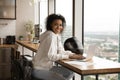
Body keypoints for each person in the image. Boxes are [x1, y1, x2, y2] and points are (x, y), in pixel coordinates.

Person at [32, 14, 85, 80]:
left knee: (70, 73)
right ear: (51, 24)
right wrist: (69, 56)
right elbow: (51, 56)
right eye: (56, 24)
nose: (59, 27)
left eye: (60, 25)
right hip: (39, 69)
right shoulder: (50, 36)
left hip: (45, 67)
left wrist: (72, 55)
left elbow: (61, 51)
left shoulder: (55, 35)